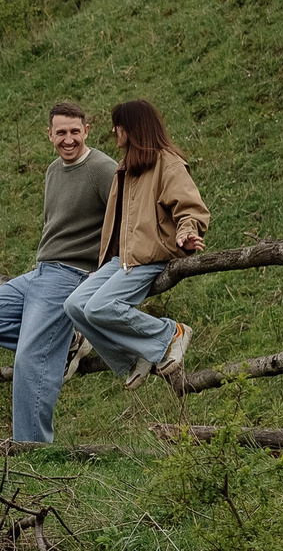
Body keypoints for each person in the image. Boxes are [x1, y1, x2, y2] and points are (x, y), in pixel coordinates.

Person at [0, 102, 115, 443]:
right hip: (41, 272)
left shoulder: (104, 169)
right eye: (61, 132)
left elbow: (126, 221)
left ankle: (31, 450)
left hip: (70, 275)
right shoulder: (52, 171)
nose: (69, 139)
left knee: (28, 362)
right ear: (49, 135)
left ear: (87, 130)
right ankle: (66, 342)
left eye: (75, 131)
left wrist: (103, 271)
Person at [61, 98, 205, 386]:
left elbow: (191, 208)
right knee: (74, 305)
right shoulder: (126, 168)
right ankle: (132, 357)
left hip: (150, 256)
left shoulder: (168, 164)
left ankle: (170, 334)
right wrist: (102, 268)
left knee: (99, 307)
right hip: (121, 260)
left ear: (132, 128)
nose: (115, 132)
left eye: (118, 126)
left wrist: (186, 232)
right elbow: (117, 225)